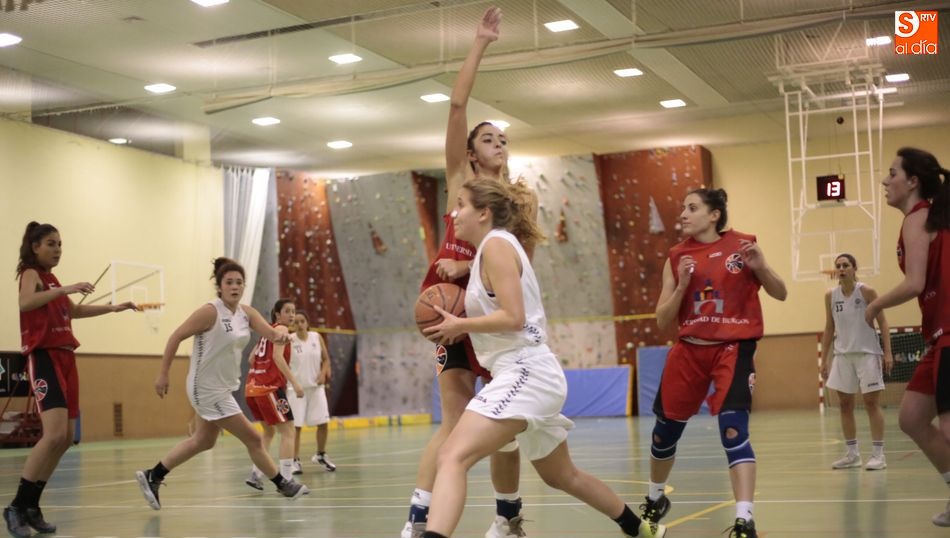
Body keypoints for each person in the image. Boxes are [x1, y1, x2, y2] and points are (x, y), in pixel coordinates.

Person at [419, 178, 664, 538]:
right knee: (561, 476)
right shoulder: (495, 247)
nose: (454, 213)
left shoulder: (497, 246)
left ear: (484, 213)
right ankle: (641, 530)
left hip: (524, 371)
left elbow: (514, 316)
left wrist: (461, 325)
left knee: (452, 456)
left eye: (461, 205)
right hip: (526, 373)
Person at [401, 7, 537, 538]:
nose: (497, 143)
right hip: (449, 310)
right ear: (470, 152)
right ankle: (418, 519)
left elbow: (523, 268)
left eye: (503, 139)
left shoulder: (521, 200)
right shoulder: (461, 180)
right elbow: (457, 104)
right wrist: (480, 42)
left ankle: (508, 518)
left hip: (493, 316)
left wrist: (475, 263)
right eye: (487, 138)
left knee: (505, 432)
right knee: (454, 418)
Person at [641, 188, 787, 538]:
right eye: (682, 209)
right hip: (689, 351)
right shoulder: (676, 256)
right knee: (663, 435)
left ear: (714, 215)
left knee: (733, 430)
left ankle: (744, 519)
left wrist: (761, 267)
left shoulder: (744, 246)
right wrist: (682, 287)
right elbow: (662, 320)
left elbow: (781, 292)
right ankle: (655, 498)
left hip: (732, 349)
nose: (683, 215)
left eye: (692, 208)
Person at [135, 258, 308, 511]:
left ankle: (154, 475)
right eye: (229, 282)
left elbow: (270, 333)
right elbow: (176, 336)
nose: (234, 286)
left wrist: (280, 335)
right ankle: (283, 483)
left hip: (223, 387)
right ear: (220, 286)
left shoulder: (245, 313)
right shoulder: (210, 311)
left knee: (203, 441)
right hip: (205, 387)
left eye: (239, 282)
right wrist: (163, 373)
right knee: (254, 439)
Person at [4, 222, 136, 538]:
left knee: (65, 438)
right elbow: (24, 303)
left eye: (61, 244)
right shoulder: (30, 273)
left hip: (66, 356)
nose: (58, 249)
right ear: (35, 246)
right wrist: (63, 289)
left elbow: (72, 312)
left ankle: (32, 506)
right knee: (52, 435)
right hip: (45, 356)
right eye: (51, 243)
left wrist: (113, 308)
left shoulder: (52, 280)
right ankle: (15, 506)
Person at [865, 147, 950, 526]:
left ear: (912, 181)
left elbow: (914, 283)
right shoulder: (932, 217)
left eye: (892, 172)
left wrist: (873, 306)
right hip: (937, 336)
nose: (885, 180)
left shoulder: (919, 217)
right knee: (913, 417)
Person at [820, 253, 893, 471]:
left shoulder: (867, 292)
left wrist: (887, 353)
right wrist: (825, 358)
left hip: (867, 353)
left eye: (845, 265)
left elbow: (883, 322)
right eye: (838, 266)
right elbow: (829, 327)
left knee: (871, 403)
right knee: (844, 404)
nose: (841, 269)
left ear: (854, 268)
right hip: (843, 356)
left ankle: (879, 454)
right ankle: (852, 454)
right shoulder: (830, 296)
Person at [244, 299, 306, 488]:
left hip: (252, 389)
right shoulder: (282, 330)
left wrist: (261, 371)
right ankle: (286, 480)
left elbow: (251, 358)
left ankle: (255, 474)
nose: (292, 315)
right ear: (277, 315)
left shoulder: (267, 333)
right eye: (287, 311)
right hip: (269, 388)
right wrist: (295, 384)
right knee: (288, 431)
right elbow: (277, 357)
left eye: (293, 311)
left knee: (269, 432)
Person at [287, 311, 335, 474]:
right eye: (296, 322)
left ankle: (321, 455)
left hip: (316, 388)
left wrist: (323, 373)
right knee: (296, 426)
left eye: (302, 321)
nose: (299, 324)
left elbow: (326, 359)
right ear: (292, 325)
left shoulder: (316, 337)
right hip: (297, 389)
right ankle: (294, 460)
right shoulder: (290, 340)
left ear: (307, 323)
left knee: (323, 422)